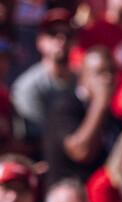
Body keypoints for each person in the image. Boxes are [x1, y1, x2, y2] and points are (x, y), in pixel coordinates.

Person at [43, 46, 121, 188]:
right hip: (68, 200)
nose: (108, 78)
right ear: (83, 78)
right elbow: (81, 152)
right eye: (101, 72)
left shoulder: (114, 118)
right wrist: (99, 104)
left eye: (112, 72)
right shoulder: (65, 108)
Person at [10, 8, 77, 151]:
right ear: (40, 42)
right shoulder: (28, 87)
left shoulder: (83, 81)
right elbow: (38, 136)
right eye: (53, 34)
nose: (61, 40)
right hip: (44, 156)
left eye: (67, 34)